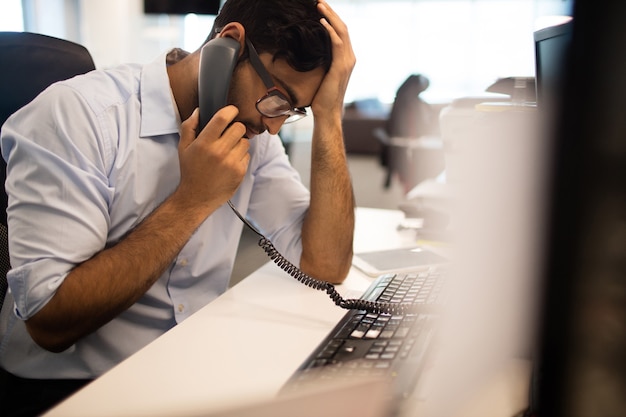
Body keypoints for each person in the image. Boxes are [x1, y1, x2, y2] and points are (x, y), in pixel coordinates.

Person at [0, 0, 356, 414]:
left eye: (294, 111)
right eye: (278, 98)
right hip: (70, 391)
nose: (274, 125)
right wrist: (192, 201)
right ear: (231, 44)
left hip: (185, 371)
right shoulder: (79, 116)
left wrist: (329, 115)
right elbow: (48, 320)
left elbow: (325, 264)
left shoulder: (252, 134)